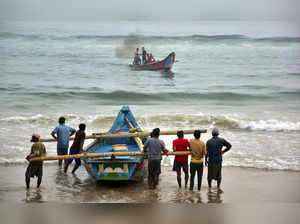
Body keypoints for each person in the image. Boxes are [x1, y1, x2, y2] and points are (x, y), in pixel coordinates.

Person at [205, 128, 232, 192]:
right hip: (218, 160)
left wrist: (205, 160)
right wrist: (223, 151)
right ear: (218, 134)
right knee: (219, 174)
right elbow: (229, 146)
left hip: (211, 160)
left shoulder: (208, 142)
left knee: (209, 175)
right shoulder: (222, 140)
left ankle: (209, 186)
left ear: (212, 134)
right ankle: (218, 186)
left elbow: (207, 152)